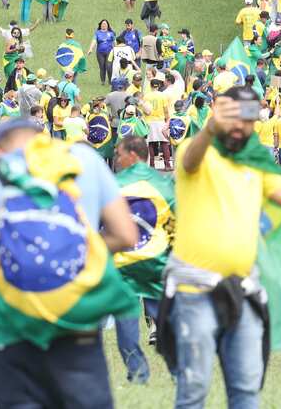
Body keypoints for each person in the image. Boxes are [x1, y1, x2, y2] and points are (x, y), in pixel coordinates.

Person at [0, 115, 139, 408]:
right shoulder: (86, 163)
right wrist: (78, 252)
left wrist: (16, 263)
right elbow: (126, 235)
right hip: (77, 326)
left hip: (11, 331)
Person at [167, 84, 281, 407]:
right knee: (193, 392)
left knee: (246, 391)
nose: (240, 125)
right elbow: (190, 161)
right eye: (234, 115)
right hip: (194, 291)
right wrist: (210, 127)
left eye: (249, 117)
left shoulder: (255, 162)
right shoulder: (196, 149)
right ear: (218, 110)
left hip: (243, 292)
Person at [111, 135, 175, 385]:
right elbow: (175, 224)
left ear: (133, 155)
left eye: (119, 154)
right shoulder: (164, 184)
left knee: (125, 323)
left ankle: (137, 373)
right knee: (167, 321)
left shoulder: (113, 185)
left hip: (124, 265)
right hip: (157, 262)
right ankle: (178, 371)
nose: (116, 158)